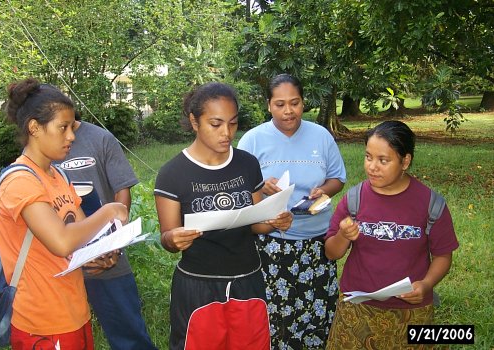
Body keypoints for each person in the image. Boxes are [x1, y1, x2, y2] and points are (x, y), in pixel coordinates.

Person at [154, 82, 293, 350]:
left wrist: (277, 221)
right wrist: (174, 238)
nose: (226, 133)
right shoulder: (173, 173)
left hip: (248, 281)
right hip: (199, 286)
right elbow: (168, 239)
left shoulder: (246, 163)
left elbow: (256, 224)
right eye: (215, 124)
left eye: (232, 123)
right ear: (194, 122)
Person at [0, 78, 128, 349]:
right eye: (63, 128)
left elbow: (83, 237)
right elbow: (62, 242)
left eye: (72, 127)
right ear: (34, 127)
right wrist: (109, 211)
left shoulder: (58, 175)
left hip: (74, 312)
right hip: (42, 322)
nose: (72, 136)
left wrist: (102, 255)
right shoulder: (20, 183)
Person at [324, 120, 459, 349]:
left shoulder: (430, 204)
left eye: (383, 160)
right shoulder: (354, 199)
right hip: (358, 308)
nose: (372, 167)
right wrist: (344, 235)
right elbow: (331, 252)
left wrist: (426, 285)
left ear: (405, 161)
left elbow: (443, 256)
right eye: (368, 157)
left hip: (411, 311)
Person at [237, 73, 346, 349]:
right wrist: (262, 188)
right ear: (268, 105)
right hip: (271, 243)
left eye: (295, 103)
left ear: (303, 103)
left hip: (316, 243)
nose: (288, 111)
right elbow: (241, 191)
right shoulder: (252, 140)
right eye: (280, 104)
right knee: (276, 316)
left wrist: (324, 190)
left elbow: (337, 178)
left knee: (317, 314)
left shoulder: (320, 136)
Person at [55, 113, 157, 350]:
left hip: (105, 256)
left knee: (128, 335)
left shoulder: (99, 138)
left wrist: (114, 243)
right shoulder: (35, 158)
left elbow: (122, 191)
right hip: (59, 263)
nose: (69, 136)